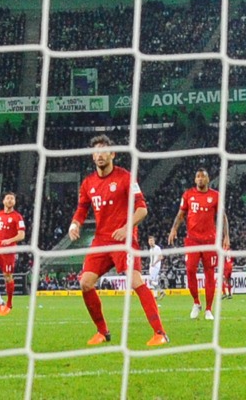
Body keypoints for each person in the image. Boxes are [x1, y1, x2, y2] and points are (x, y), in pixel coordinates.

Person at [68, 135, 168, 346]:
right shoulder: (88, 183)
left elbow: (142, 209)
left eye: (104, 151)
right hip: (101, 241)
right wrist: (75, 224)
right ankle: (103, 331)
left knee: (135, 281)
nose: (100, 155)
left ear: (112, 154)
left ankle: (160, 333)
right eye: (96, 152)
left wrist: (126, 227)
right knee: (85, 283)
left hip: (124, 240)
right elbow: (81, 209)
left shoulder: (125, 178)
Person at [168, 167, 229, 321]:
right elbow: (180, 214)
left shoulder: (215, 196)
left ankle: (209, 309)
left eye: (203, 176)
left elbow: (222, 217)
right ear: (195, 180)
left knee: (210, 274)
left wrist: (226, 236)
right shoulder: (188, 195)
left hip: (210, 241)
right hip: (192, 240)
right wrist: (174, 229)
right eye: (198, 176)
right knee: (190, 270)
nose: (200, 179)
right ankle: (196, 302)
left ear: (208, 179)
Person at [147, 236, 165, 301]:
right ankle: (155, 297)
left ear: (154, 241)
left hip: (156, 267)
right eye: (149, 241)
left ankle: (162, 291)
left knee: (150, 281)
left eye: (152, 241)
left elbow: (161, 257)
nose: (151, 242)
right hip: (151, 267)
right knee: (154, 281)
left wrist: (155, 263)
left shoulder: (157, 248)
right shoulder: (150, 250)